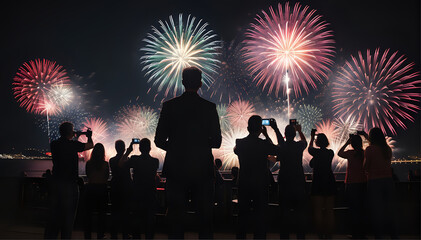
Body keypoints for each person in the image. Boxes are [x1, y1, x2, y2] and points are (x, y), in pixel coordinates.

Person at [154, 66, 222, 238]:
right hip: (202, 170)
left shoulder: (169, 106)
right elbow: (217, 141)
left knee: (175, 218)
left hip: (176, 169)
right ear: (200, 83)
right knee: (205, 219)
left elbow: (159, 140)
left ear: (182, 82)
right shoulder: (209, 108)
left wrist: (177, 148)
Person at [234, 115, 281, 239]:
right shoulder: (264, 144)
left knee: (242, 217)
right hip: (260, 185)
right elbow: (279, 150)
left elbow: (236, 150)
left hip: (244, 184)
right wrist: (271, 132)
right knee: (260, 217)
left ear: (248, 128)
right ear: (260, 129)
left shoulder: (240, 143)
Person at [44, 122, 94, 239]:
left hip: (56, 184)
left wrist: (73, 135)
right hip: (70, 185)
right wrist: (89, 136)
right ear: (70, 132)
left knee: (54, 217)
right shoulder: (73, 145)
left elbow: (65, 142)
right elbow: (90, 145)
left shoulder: (54, 144)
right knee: (68, 219)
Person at [120, 138, 159, 239]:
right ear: (150, 148)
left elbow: (121, 164)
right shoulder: (155, 161)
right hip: (150, 195)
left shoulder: (134, 159)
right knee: (150, 222)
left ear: (140, 148)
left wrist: (128, 150)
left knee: (136, 221)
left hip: (137, 195)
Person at [363, 127, 397, 239]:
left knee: (376, 211)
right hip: (388, 181)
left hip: (374, 182)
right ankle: (394, 236)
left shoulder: (369, 149)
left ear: (371, 137)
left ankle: (379, 237)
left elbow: (366, 166)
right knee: (390, 210)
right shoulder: (387, 149)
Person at [276, 124, 307, 239]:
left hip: (284, 181)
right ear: (294, 135)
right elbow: (305, 141)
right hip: (298, 181)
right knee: (300, 212)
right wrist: (299, 130)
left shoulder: (281, 147)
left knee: (284, 212)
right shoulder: (299, 145)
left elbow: (279, 144)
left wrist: (274, 130)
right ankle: (301, 236)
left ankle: (284, 236)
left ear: (284, 135)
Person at [338, 135, 367, 239]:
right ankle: (362, 234)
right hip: (363, 183)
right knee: (362, 209)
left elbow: (339, 153)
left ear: (352, 144)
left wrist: (347, 142)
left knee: (353, 210)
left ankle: (355, 234)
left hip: (351, 184)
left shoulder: (350, 153)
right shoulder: (364, 153)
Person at [309, 131, 336, 239]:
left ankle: (320, 234)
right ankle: (329, 234)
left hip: (318, 181)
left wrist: (311, 137)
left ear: (317, 142)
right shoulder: (331, 152)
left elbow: (309, 148)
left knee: (318, 210)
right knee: (330, 211)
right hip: (329, 181)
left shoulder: (316, 153)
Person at [84, 143, 110, 239]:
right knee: (102, 215)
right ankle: (100, 235)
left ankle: (87, 236)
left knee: (88, 215)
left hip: (91, 189)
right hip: (102, 189)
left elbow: (88, 175)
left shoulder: (89, 163)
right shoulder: (105, 164)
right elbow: (106, 177)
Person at [109, 140, 132, 239]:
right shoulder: (127, 159)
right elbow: (121, 164)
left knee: (115, 211)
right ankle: (125, 234)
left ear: (115, 148)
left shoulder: (111, 160)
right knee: (125, 212)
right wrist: (128, 152)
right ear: (123, 148)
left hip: (115, 187)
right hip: (125, 188)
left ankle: (114, 234)